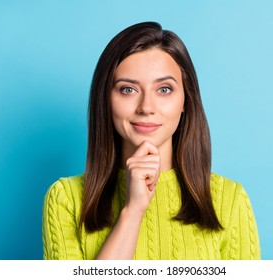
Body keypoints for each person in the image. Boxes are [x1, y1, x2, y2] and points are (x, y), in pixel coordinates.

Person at [42, 22, 261, 260]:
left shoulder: (229, 199)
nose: (146, 107)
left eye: (164, 89)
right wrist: (132, 211)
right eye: (127, 89)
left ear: (186, 100)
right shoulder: (67, 199)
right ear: (105, 99)